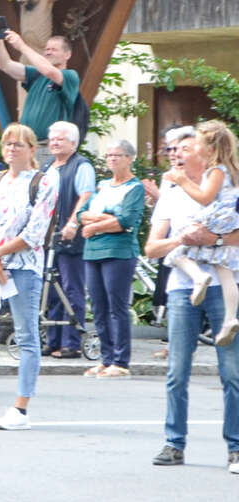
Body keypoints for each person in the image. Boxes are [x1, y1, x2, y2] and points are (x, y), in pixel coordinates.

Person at [146, 129, 239, 471]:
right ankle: (174, 443)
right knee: (177, 370)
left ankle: (236, 447)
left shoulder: (230, 185)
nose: (177, 154)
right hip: (182, 287)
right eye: (174, 149)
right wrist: (181, 240)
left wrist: (213, 240)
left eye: (185, 148)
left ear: (204, 152)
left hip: (222, 283)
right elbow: (152, 247)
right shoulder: (172, 195)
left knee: (232, 371)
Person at [0, 124, 54, 430]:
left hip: (23, 266)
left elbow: (34, 234)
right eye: (8, 144)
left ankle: (21, 408)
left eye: (19, 144)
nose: (12, 149)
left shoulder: (42, 182)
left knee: (26, 334)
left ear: (32, 149)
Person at [162, 121, 239, 345]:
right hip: (230, 220)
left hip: (216, 219)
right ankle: (230, 319)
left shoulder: (216, 170)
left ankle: (198, 277)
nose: (194, 147)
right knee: (225, 272)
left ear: (210, 148)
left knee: (177, 251)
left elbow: (205, 198)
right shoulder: (231, 170)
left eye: (197, 144)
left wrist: (182, 181)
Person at [78, 139, 146, 377]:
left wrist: (95, 225)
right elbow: (81, 213)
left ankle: (121, 361)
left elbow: (126, 221)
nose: (112, 159)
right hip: (92, 252)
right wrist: (107, 219)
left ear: (130, 158)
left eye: (118, 155)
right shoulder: (102, 185)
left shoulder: (135, 188)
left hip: (119, 252)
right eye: (109, 155)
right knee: (98, 307)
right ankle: (106, 359)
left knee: (117, 307)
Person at [41, 121, 97, 358]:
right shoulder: (47, 166)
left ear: (73, 143)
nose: (54, 143)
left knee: (71, 289)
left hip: (69, 238)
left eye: (60, 139)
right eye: (52, 138)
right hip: (48, 237)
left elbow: (86, 196)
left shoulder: (81, 165)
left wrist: (73, 223)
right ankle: (52, 340)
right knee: (50, 289)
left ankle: (71, 343)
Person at [0, 24, 83, 145]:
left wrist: (22, 46)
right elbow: (4, 64)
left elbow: (49, 71)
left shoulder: (70, 76)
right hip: (26, 144)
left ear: (67, 55)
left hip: (48, 145)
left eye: (54, 50)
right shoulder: (36, 74)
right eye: (47, 49)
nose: (48, 52)